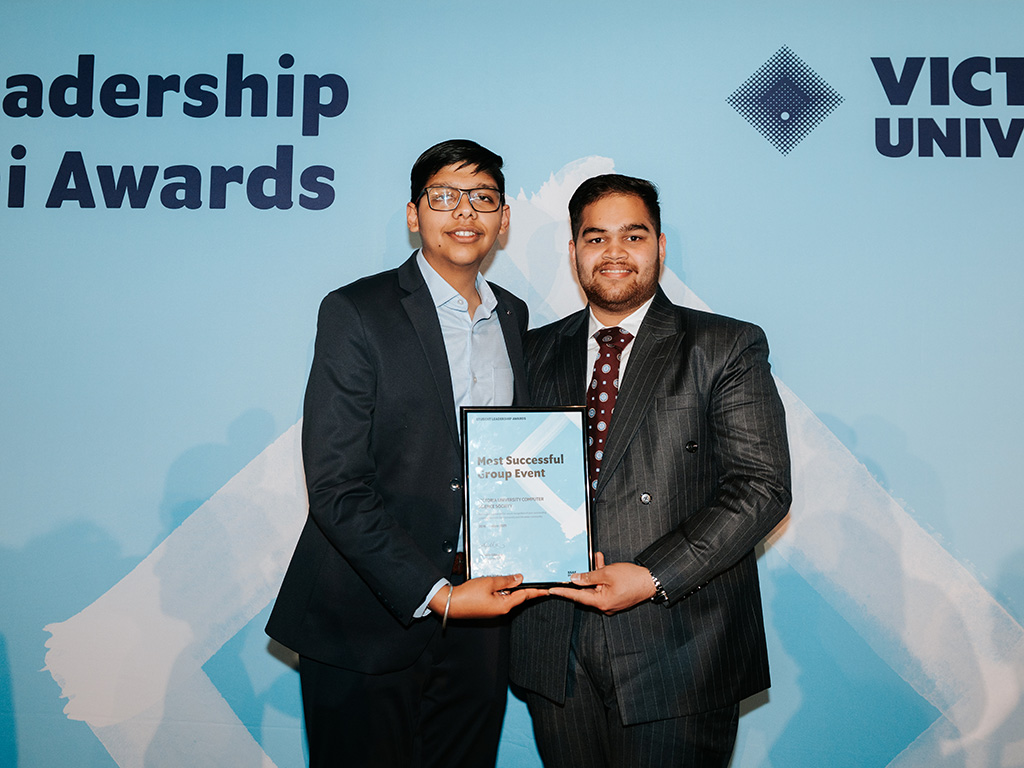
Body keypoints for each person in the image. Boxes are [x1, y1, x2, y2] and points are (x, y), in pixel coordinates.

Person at [266, 139, 545, 768]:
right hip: (366, 613)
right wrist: (436, 592)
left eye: (483, 198)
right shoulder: (357, 311)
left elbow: (512, 462)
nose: (465, 212)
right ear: (415, 214)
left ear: (503, 220)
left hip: (482, 613)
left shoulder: (514, 317)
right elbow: (337, 486)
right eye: (444, 196)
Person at [510, 174, 792, 767]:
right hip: (555, 646)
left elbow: (761, 488)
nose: (614, 252)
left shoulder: (724, 345)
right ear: (573, 251)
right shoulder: (532, 351)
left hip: (679, 644)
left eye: (632, 236)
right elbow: (507, 475)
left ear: (660, 246)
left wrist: (652, 576)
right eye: (596, 238)